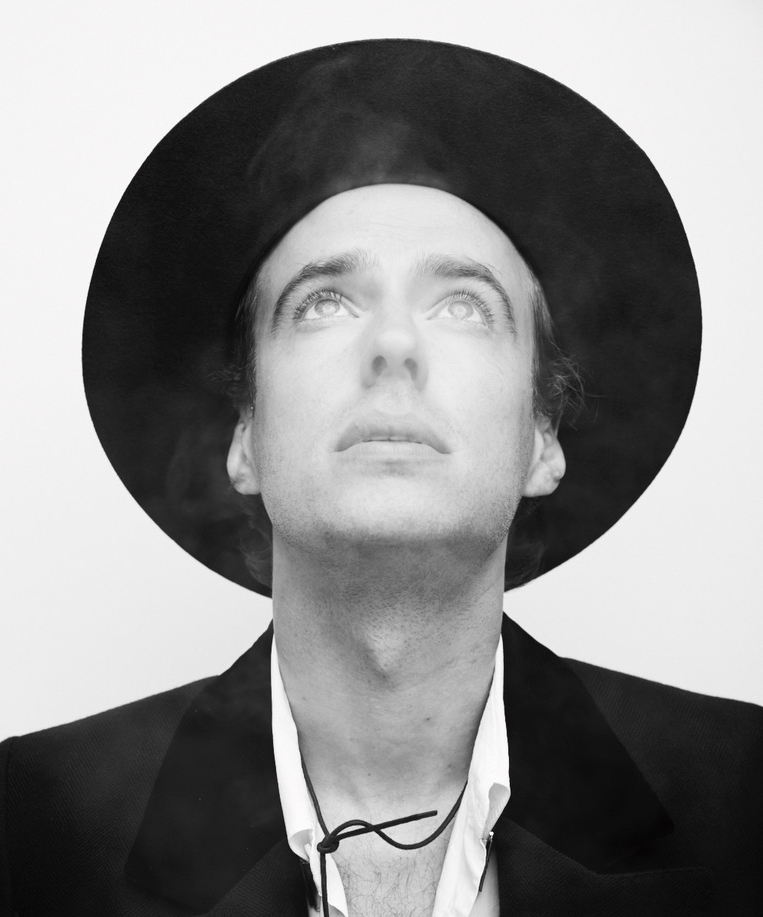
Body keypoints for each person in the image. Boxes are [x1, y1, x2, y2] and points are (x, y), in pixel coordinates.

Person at [1, 39, 761, 917]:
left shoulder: (744, 803)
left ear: (541, 437)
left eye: (463, 304)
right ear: (244, 436)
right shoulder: (32, 827)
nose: (394, 343)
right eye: (324, 301)